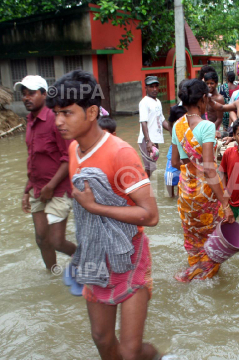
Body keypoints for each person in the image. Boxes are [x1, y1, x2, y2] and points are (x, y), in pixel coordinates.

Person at [48, 70, 164, 360]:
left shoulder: (120, 154)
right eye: (55, 113)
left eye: (66, 113)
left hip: (129, 253)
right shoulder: (75, 149)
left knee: (130, 351)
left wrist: (96, 207)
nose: (58, 121)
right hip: (95, 254)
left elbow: (150, 216)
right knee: (101, 338)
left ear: (90, 112)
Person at [171, 79, 235, 282]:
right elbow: (209, 169)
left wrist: (192, 168)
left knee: (193, 237)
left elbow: (175, 162)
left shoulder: (177, 126)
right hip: (205, 194)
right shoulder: (206, 126)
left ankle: (193, 270)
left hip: (186, 195)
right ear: (202, 100)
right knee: (213, 239)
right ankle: (203, 277)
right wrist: (225, 204)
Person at [16, 75, 76, 271]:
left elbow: (69, 156)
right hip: (38, 189)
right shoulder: (31, 121)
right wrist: (26, 190)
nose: (26, 98)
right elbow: (32, 159)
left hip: (59, 189)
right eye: (24, 94)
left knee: (57, 241)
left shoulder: (56, 120)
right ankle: (54, 274)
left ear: (44, 94)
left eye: (31, 93)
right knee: (41, 239)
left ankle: (86, 261)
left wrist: (51, 186)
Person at [138, 76, 165, 179]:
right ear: (146, 88)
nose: (154, 89)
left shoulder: (158, 102)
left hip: (155, 140)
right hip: (146, 141)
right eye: (151, 87)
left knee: (152, 167)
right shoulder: (144, 102)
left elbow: (162, 120)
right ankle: (142, 185)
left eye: (156, 86)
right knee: (149, 167)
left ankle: (144, 183)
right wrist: (148, 141)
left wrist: (173, 130)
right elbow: (143, 122)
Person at [164, 104, 187, 198]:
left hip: (191, 144)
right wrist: (175, 139)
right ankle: (171, 197)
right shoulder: (175, 109)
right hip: (178, 143)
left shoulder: (198, 106)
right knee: (169, 174)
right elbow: (170, 125)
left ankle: (180, 194)